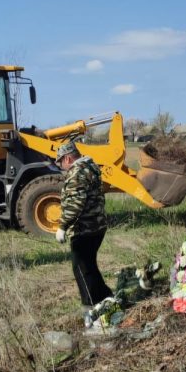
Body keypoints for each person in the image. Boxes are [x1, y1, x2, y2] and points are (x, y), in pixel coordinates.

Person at [54, 140, 113, 332]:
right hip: (97, 226)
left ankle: (92, 313)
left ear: (68, 158)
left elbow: (75, 203)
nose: (60, 166)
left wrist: (63, 226)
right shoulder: (90, 167)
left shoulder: (77, 173)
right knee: (89, 265)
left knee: (81, 269)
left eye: (60, 162)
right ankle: (107, 299)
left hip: (85, 229)